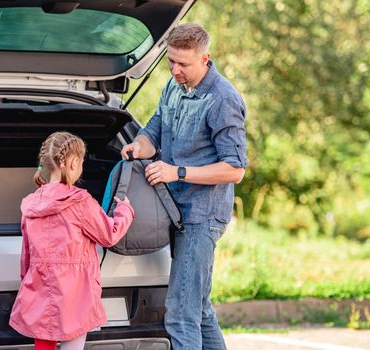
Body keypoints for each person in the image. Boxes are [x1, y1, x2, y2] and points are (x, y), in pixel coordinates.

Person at [121, 23, 247, 349]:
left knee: (180, 312)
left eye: (184, 64)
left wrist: (176, 172)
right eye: (171, 62)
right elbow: (154, 131)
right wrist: (138, 147)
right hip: (174, 212)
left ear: (205, 58)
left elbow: (234, 169)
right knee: (199, 310)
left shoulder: (223, 99)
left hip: (201, 217)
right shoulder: (173, 86)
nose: (175, 70)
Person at [10, 131, 134, 350]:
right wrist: (125, 210)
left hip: (39, 286)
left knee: (43, 344)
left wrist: (28, 286)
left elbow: (26, 256)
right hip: (75, 293)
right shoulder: (81, 202)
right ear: (74, 163)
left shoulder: (30, 205)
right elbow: (109, 235)